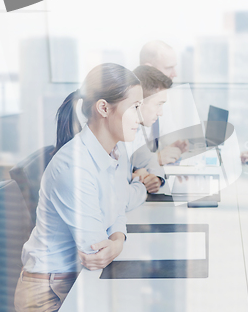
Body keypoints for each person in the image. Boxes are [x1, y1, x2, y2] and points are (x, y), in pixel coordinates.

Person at [14, 63, 143, 312]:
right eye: (134, 108)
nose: (139, 118)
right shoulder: (74, 166)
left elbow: (117, 210)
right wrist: (115, 243)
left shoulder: (111, 153)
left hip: (74, 281)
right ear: (104, 108)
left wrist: (117, 240)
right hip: (48, 295)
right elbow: (95, 253)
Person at [123, 65, 174, 211]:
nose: (160, 113)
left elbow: (149, 159)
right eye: (158, 105)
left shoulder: (136, 130)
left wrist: (155, 178)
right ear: (139, 102)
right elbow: (121, 198)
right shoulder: (118, 135)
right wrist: (139, 179)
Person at [139, 40, 190, 165]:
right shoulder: (131, 104)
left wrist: (175, 145)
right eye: (169, 68)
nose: (175, 74)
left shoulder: (161, 101)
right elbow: (126, 160)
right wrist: (156, 159)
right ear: (148, 68)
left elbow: (168, 135)